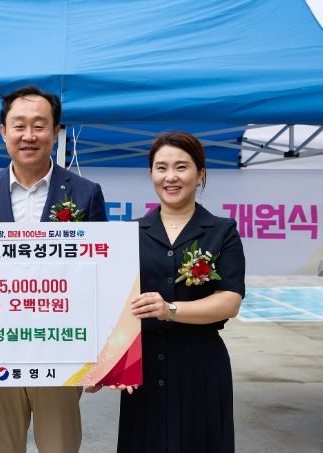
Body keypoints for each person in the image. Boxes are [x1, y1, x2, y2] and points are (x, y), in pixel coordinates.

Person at [0, 85, 107, 453]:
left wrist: (102, 359)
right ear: (3, 132)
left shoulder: (86, 193)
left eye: (40, 125)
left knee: (60, 446)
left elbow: (101, 278)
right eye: (19, 125)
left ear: (56, 132)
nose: (29, 135)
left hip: (62, 353)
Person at [116, 131, 245, 453]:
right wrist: (112, 366)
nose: (170, 177)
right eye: (161, 168)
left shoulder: (222, 231)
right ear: (151, 174)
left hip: (200, 364)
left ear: (200, 175)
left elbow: (229, 301)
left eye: (181, 167)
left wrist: (169, 310)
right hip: (143, 366)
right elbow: (113, 305)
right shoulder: (128, 233)